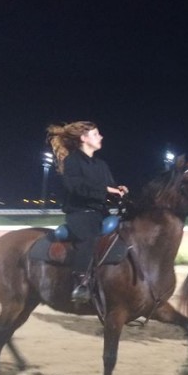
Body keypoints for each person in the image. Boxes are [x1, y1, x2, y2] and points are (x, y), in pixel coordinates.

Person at [46, 121, 128, 303]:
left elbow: (110, 188)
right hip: (79, 213)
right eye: (96, 134)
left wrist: (119, 190)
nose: (101, 137)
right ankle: (80, 284)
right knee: (89, 240)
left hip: (100, 212)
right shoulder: (72, 161)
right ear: (84, 138)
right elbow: (75, 186)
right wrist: (106, 190)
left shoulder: (101, 164)